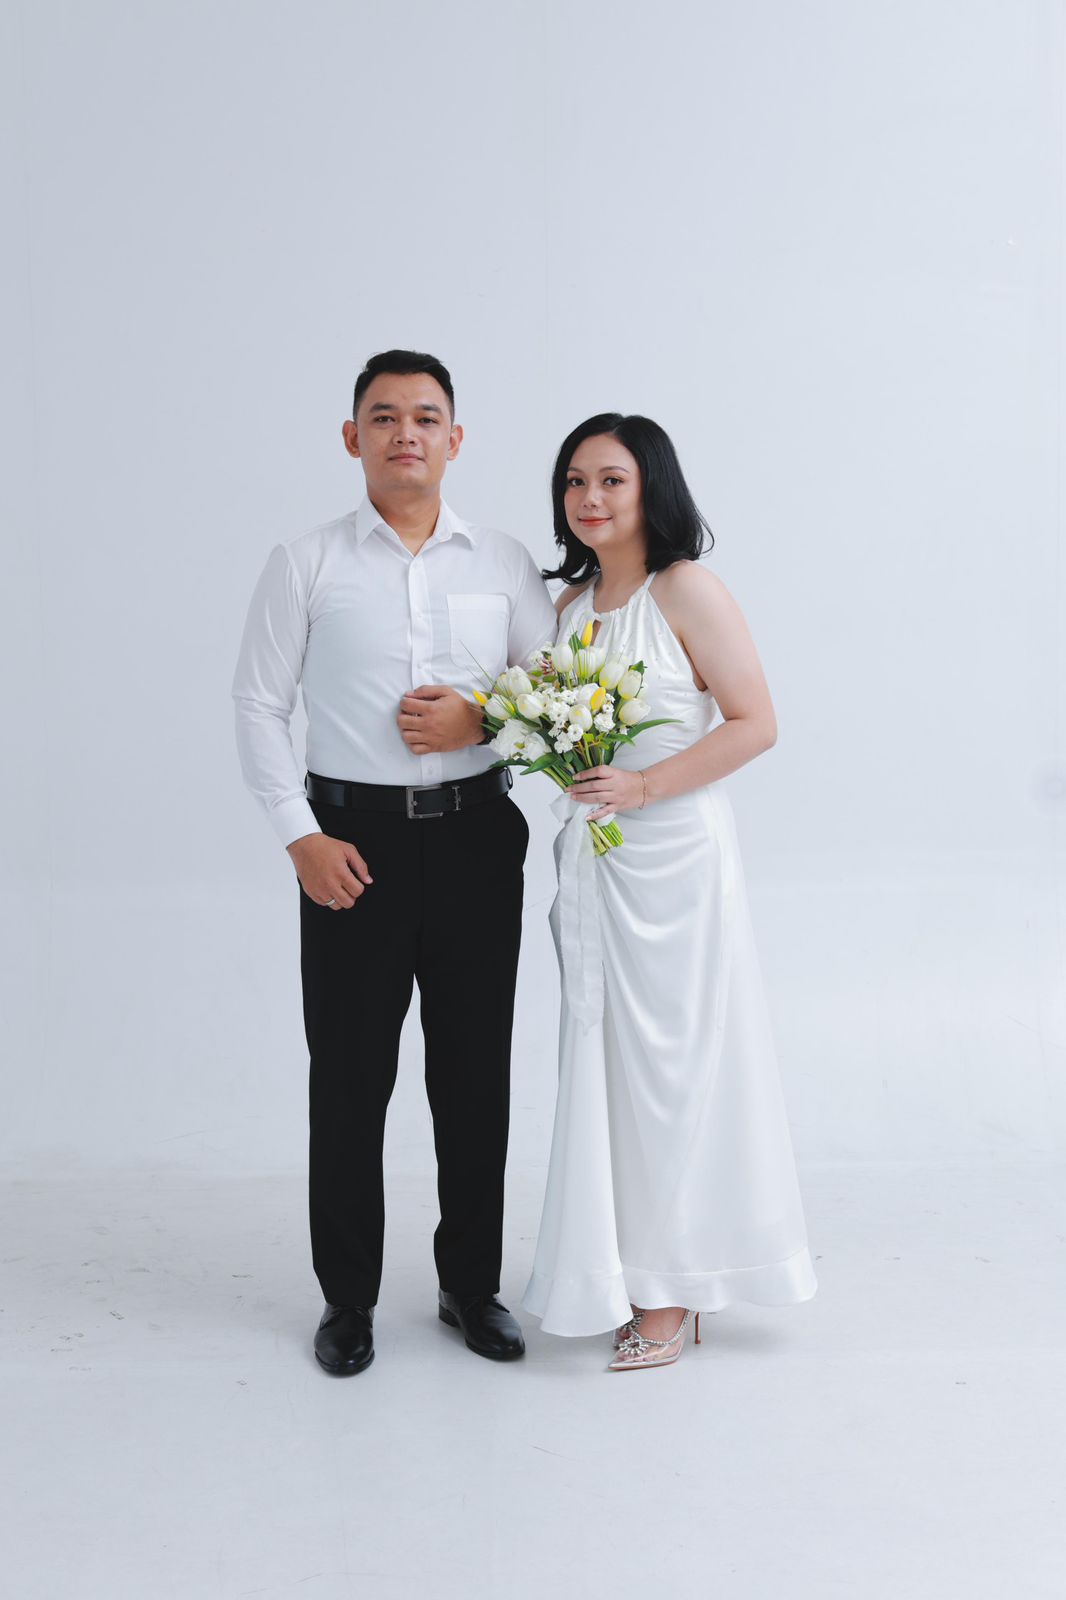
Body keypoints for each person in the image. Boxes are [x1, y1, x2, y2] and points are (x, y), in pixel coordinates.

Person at [231, 349, 556, 1375]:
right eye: (382, 416)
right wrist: (301, 836)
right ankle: (348, 1299)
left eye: (424, 416)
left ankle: (471, 1286)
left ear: (455, 439)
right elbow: (257, 702)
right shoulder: (306, 562)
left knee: (474, 1072)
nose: (404, 433)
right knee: (350, 1075)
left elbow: (553, 696)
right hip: (349, 846)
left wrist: (481, 717)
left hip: (474, 838)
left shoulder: (503, 562)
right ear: (352, 437)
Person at [522, 413, 817, 1369]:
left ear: (652, 486)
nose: (590, 498)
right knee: (605, 1069)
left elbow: (755, 722)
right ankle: (620, 1265)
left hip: (677, 861)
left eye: (611, 479)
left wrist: (645, 786)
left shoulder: (686, 589)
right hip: (596, 863)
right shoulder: (567, 606)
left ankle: (677, 1285)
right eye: (575, 481)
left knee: (675, 1069)